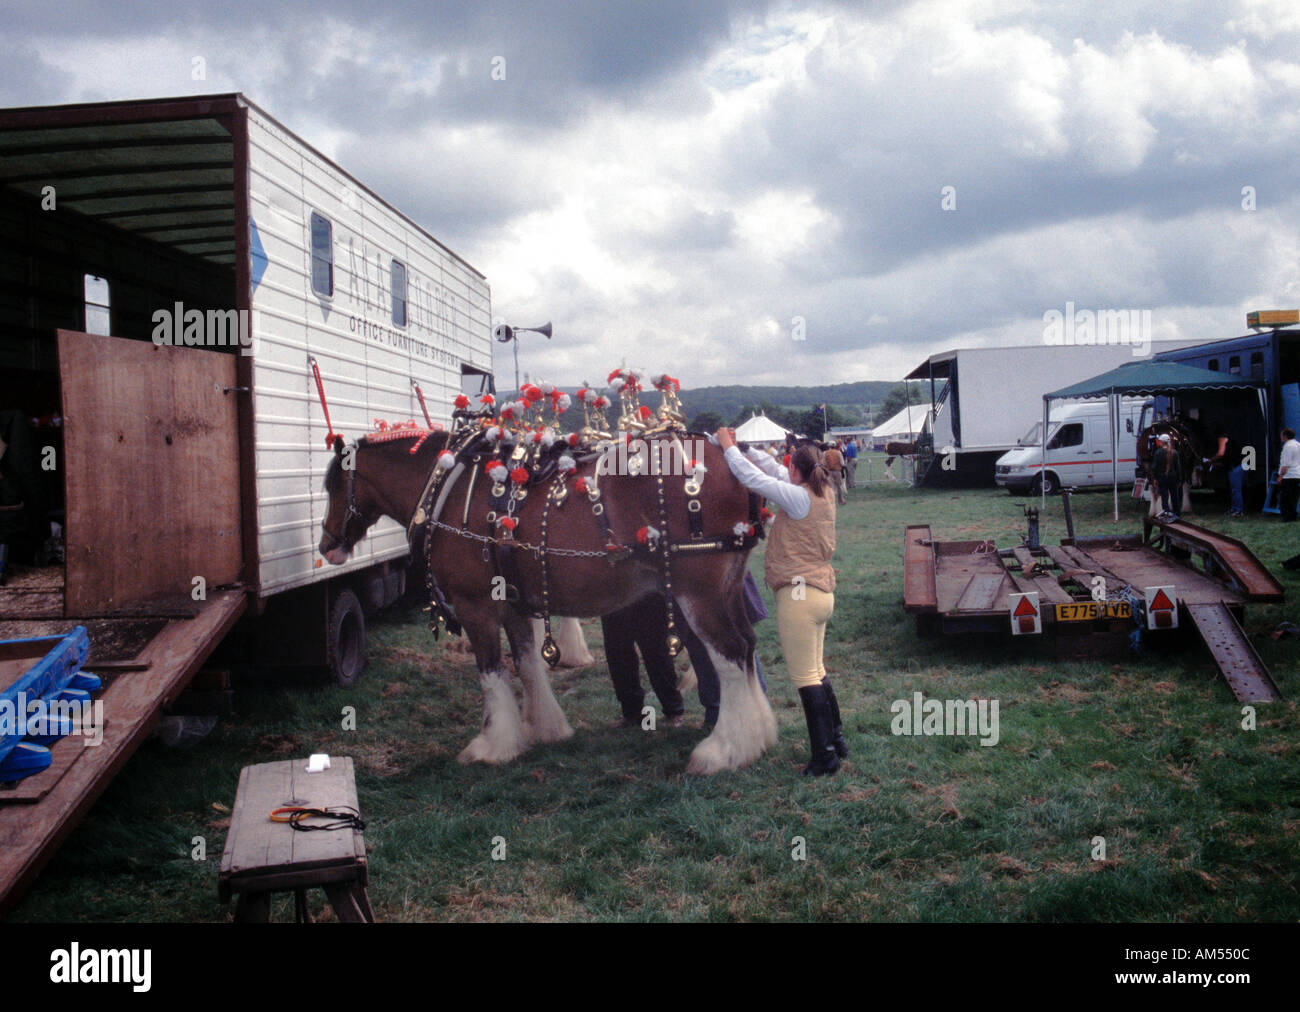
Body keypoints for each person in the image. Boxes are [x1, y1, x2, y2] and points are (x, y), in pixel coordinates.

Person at [716, 427, 845, 776]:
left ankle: (825, 756)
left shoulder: (799, 498)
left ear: (796, 471)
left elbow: (755, 479)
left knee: (805, 678)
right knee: (817, 672)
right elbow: (772, 472)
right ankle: (836, 739)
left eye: (789, 468)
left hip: (799, 597)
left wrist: (728, 448)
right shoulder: (822, 490)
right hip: (818, 593)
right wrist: (746, 448)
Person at [601, 595, 685, 728]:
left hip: (646, 589)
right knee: (617, 652)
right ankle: (631, 711)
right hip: (613, 594)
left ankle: (674, 710)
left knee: (657, 651)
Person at [1154, 433, 1182, 521]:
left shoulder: (1158, 453)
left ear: (1162, 442)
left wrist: (1155, 478)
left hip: (1162, 478)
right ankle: (1177, 514)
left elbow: (1155, 467)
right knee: (1175, 496)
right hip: (1173, 478)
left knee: (1164, 497)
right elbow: (1178, 468)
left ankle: (1166, 513)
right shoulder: (1175, 452)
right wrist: (1179, 480)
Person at [1279, 428, 1300, 522]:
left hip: (1289, 475)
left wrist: (1280, 476)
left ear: (1285, 436)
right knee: (1294, 497)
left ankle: (1287, 517)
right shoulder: (1297, 444)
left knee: (1286, 498)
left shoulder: (1288, 446)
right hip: (1297, 474)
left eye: (1282, 435)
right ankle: (1293, 515)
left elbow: (1285, 464)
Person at [822, 441, 847, 505]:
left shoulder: (825, 453)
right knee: (839, 486)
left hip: (829, 471)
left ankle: (831, 501)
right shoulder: (838, 452)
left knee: (830, 487)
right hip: (837, 471)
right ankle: (840, 500)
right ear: (835, 446)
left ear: (829, 446)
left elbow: (823, 463)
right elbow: (842, 463)